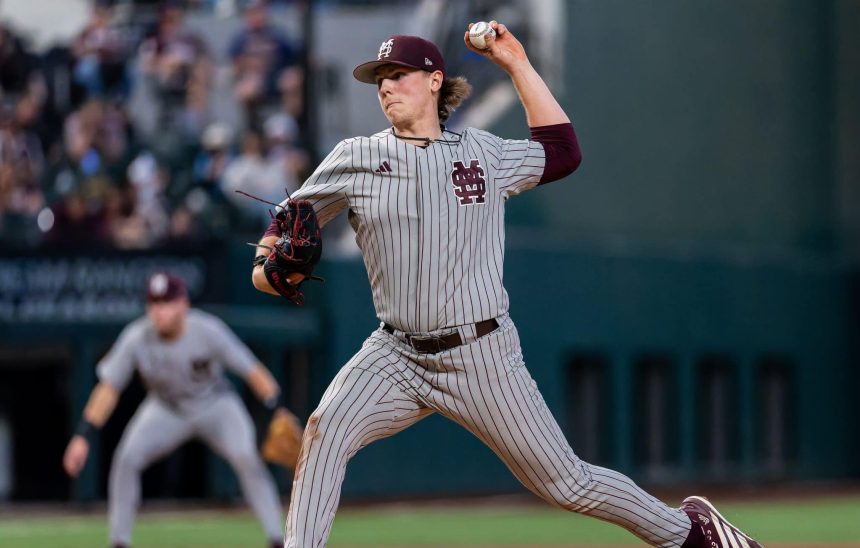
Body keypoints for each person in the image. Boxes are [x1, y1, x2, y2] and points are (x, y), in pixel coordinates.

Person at [251, 23, 762, 548]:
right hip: (395, 353)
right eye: (379, 77)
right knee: (324, 431)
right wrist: (268, 271)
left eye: (398, 74)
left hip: (481, 353)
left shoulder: (483, 153)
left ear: (434, 81)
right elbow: (279, 235)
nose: (385, 86)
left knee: (568, 483)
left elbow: (563, 151)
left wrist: (516, 62)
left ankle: (689, 531)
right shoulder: (354, 156)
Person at [63, 273, 285, 548]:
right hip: (165, 408)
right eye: (153, 303)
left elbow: (252, 370)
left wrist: (276, 407)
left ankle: (277, 539)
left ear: (183, 304)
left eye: (166, 302)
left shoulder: (207, 330)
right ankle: (119, 542)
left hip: (215, 403)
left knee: (245, 455)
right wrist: (84, 435)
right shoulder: (137, 337)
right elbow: (108, 389)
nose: (159, 310)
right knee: (127, 459)